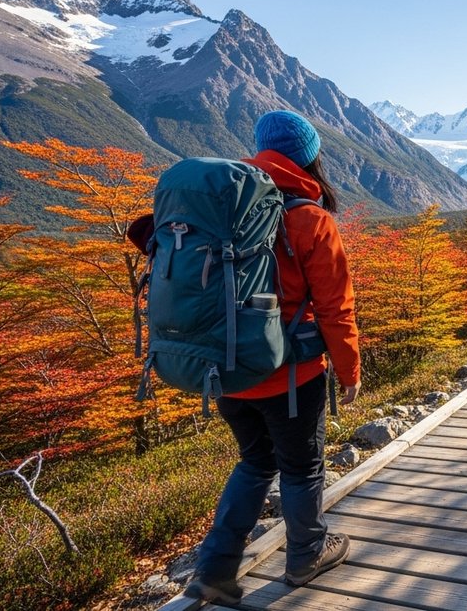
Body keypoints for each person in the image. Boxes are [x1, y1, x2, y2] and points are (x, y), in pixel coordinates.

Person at [184, 110, 362, 605]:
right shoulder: (309, 218)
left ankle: (215, 569)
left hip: (225, 370)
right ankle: (306, 554)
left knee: (255, 462)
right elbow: (335, 307)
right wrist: (349, 370)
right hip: (291, 375)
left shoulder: (221, 208)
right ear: (310, 157)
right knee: (302, 468)